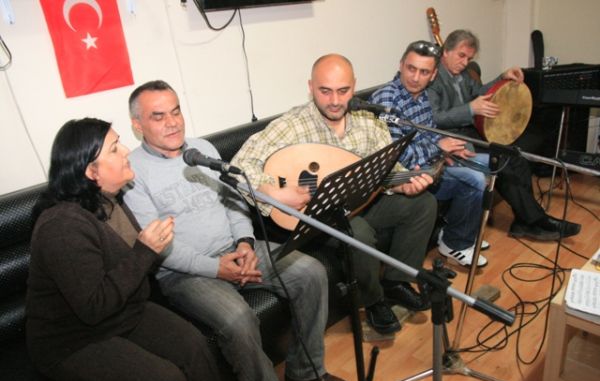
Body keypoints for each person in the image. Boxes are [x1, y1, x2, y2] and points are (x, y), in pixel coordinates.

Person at [123, 80, 352, 381]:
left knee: (311, 273)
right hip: (185, 274)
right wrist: (218, 268)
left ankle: (306, 371)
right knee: (238, 318)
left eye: (175, 111)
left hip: (238, 248)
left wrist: (245, 242)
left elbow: (233, 202)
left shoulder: (202, 150)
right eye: (158, 116)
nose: (172, 122)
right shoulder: (132, 172)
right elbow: (160, 246)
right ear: (137, 125)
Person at [231, 54, 438, 336]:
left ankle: (397, 281)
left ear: (354, 86)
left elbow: (389, 169)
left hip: (363, 201)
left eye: (343, 90)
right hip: (320, 216)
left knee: (424, 204)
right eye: (325, 91)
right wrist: (274, 193)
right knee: (358, 232)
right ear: (310, 87)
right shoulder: (293, 124)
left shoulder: (369, 121)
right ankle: (372, 301)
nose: (335, 101)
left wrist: (403, 183)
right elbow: (238, 166)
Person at [26, 118, 226, 381]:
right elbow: (94, 307)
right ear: (91, 171)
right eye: (114, 149)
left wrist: (156, 246)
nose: (126, 151)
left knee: (195, 346)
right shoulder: (62, 226)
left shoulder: (108, 200)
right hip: (72, 340)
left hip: (123, 313)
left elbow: (135, 266)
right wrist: (146, 250)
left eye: (119, 142)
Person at [427, 29, 581, 240]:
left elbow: (480, 93)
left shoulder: (462, 74)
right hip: (451, 139)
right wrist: (470, 109)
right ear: (446, 51)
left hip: (471, 132)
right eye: (461, 56)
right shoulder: (433, 77)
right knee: (503, 162)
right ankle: (535, 221)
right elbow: (435, 118)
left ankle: (525, 221)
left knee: (515, 157)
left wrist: (501, 78)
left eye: (469, 59)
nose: (464, 63)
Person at [369, 40, 490, 268]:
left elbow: (429, 134)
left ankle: (460, 230)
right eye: (411, 68)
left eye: (424, 72)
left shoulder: (423, 95)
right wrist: (439, 148)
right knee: (474, 179)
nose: (415, 78)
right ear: (401, 65)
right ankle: (455, 243)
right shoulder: (387, 99)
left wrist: (450, 149)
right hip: (408, 175)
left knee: (488, 163)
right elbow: (397, 156)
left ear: (433, 75)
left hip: (433, 162)